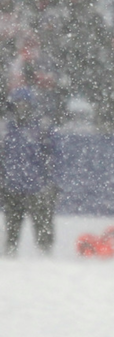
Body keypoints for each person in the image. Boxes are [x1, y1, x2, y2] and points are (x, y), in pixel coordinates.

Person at [0, 87, 60, 256]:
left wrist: (51, 182)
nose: (21, 108)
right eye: (17, 105)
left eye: (24, 104)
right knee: (12, 228)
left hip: (37, 188)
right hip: (12, 187)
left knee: (43, 227)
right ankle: (10, 255)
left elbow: (53, 157)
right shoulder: (5, 129)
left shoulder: (42, 129)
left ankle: (46, 256)